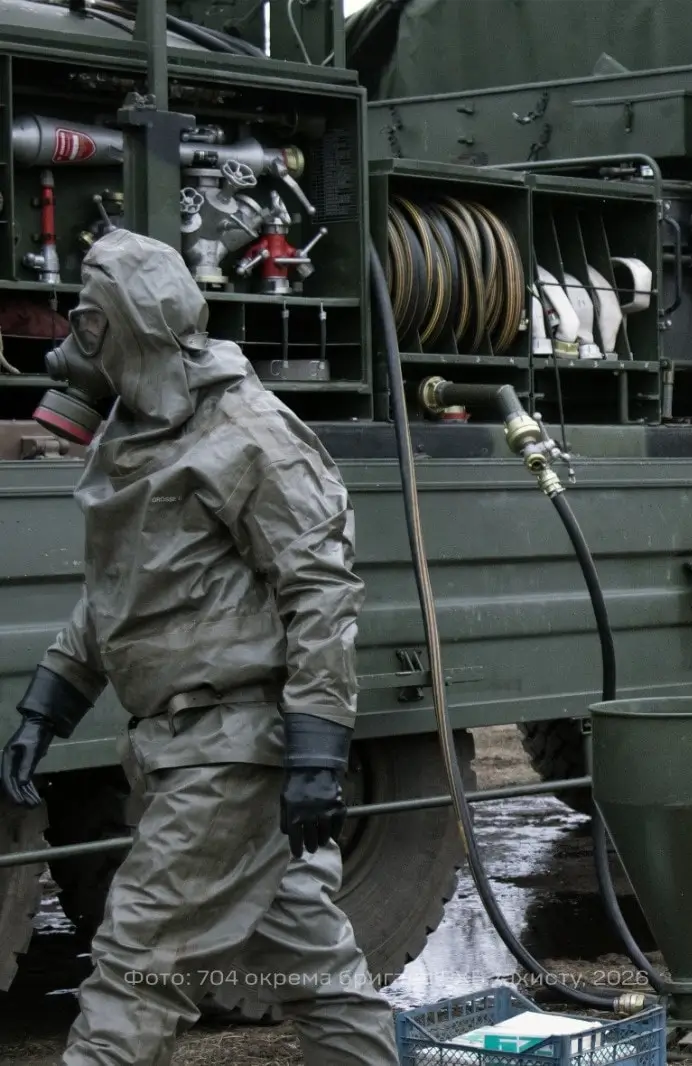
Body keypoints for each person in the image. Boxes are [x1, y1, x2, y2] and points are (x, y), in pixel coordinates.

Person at [0, 228, 398, 1065]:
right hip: (186, 748)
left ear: (123, 329)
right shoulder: (139, 428)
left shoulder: (252, 433)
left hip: (234, 753)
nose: (76, 344)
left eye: (88, 324)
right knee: (318, 970)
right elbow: (124, 588)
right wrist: (51, 701)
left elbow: (322, 591)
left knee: (133, 977)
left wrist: (320, 753)